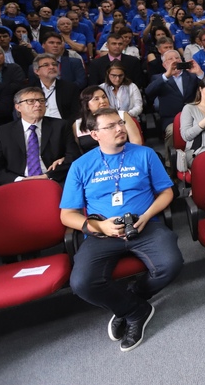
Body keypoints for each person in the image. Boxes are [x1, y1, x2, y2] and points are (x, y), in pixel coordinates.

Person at [60, 107, 182, 352]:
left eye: (121, 123)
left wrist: (147, 216)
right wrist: (97, 225)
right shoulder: (81, 166)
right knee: (82, 282)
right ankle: (136, 311)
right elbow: (66, 215)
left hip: (144, 225)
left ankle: (129, 300)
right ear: (95, 134)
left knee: (171, 264)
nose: (120, 129)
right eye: (111, 126)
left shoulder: (145, 154)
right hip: (102, 232)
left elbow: (167, 192)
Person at [0, 86, 79, 184]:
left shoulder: (60, 126)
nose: (38, 104)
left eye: (41, 101)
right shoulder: (3, 132)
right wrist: (19, 179)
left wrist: (49, 175)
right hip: (18, 183)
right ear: (18, 107)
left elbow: (74, 156)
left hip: (52, 180)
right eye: (31, 101)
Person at [74, 86, 143, 153]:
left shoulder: (122, 115)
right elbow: (79, 151)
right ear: (86, 105)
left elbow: (136, 142)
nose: (102, 101)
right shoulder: (77, 124)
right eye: (96, 99)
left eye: (104, 97)